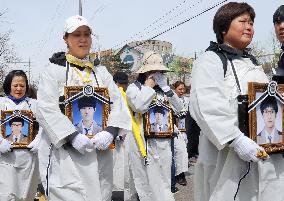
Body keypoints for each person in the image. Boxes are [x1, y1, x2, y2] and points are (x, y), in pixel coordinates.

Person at [36, 15, 131, 201]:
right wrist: (71, 136)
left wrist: (110, 131)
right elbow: (46, 109)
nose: (83, 39)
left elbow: (117, 102)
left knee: (100, 194)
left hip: (99, 152)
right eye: (76, 34)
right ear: (66, 39)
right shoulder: (53, 71)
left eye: (87, 34)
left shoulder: (101, 72)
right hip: (65, 155)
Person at [189, 2, 272, 201]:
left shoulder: (253, 63)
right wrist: (236, 139)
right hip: (225, 154)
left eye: (251, 22)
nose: (249, 26)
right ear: (224, 27)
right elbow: (206, 104)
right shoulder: (211, 60)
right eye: (242, 21)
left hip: (259, 149)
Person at [126, 50, 183, 201]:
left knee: (164, 183)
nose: (157, 74)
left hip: (164, 142)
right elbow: (138, 105)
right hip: (144, 144)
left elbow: (179, 108)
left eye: (160, 71)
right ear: (146, 72)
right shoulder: (134, 88)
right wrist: (148, 87)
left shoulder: (164, 91)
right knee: (147, 184)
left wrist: (167, 90)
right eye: (153, 71)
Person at [0, 70, 40, 200]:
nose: (19, 89)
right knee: (7, 195)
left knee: (26, 195)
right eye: (15, 85)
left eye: (22, 86)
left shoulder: (34, 104)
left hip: (28, 159)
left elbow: (47, 125)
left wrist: (39, 139)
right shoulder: (1, 103)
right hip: (5, 158)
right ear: (9, 85)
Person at [172, 81, 189, 186]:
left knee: (182, 153)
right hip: (174, 130)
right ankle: (178, 175)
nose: (182, 91)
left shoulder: (186, 100)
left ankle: (180, 174)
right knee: (177, 152)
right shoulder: (171, 99)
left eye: (183, 89)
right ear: (175, 89)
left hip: (184, 131)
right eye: (180, 89)